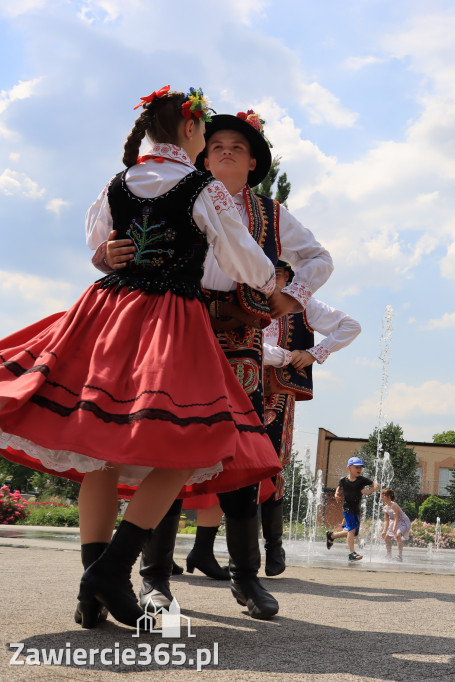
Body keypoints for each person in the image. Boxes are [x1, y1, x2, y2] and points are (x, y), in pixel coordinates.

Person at [0, 86, 282, 629]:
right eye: (205, 133)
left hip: (105, 316)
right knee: (185, 445)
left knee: (100, 450)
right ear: (191, 130)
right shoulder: (204, 187)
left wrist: (105, 255)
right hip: (170, 320)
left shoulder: (117, 182)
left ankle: (94, 591)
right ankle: (112, 568)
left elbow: (96, 245)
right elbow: (244, 260)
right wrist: (273, 282)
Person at [98, 108, 334, 618]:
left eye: (238, 147)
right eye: (217, 143)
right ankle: (155, 578)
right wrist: (110, 253)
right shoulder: (180, 189)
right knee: (168, 444)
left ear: (253, 163)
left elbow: (319, 258)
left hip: (237, 341)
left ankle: (246, 578)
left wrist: (288, 297)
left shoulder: (272, 213)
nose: (225, 151)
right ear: (201, 151)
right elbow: (115, 239)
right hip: (175, 329)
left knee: (242, 455)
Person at [260, 261, 361, 574]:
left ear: (288, 277)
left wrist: (316, 352)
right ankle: (213, 547)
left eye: (275, 272)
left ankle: (273, 547)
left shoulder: (303, 304)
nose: (267, 278)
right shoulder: (244, 296)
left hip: (276, 389)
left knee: (272, 465)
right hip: (236, 382)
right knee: (223, 462)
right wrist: (287, 356)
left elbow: (350, 326)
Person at [327, 457, 380, 561]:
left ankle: (332, 535)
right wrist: (336, 494)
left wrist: (372, 488)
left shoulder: (362, 480)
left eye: (360, 467)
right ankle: (352, 554)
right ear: (349, 468)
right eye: (356, 467)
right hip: (347, 509)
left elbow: (375, 484)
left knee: (353, 532)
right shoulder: (343, 480)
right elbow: (339, 487)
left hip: (356, 510)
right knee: (351, 531)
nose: (359, 469)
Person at [380, 488, 411, 561]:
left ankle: (400, 556)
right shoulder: (385, 508)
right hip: (395, 522)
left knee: (398, 535)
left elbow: (397, 517)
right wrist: (384, 531)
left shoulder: (394, 505)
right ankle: (389, 555)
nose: (381, 499)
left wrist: (394, 528)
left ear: (389, 497)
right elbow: (387, 521)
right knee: (387, 538)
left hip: (403, 521)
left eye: (383, 497)